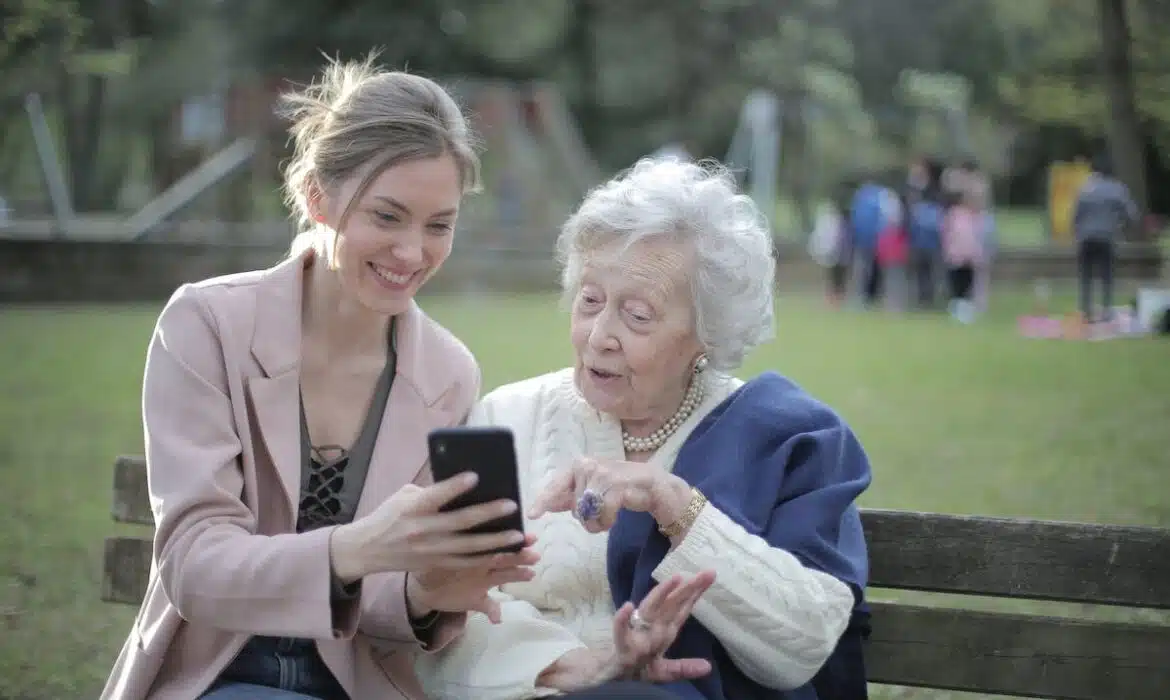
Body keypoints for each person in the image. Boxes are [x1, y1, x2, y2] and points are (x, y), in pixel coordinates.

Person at [100, 55, 547, 700]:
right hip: (214, 678)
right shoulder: (207, 325)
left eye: (438, 226)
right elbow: (193, 566)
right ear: (318, 197)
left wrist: (427, 592)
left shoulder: (447, 373)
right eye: (387, 216)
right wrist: (353, 547)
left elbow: (385, 604)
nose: (412, 253)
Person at [415, 158, 873, 700]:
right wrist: (577, 665)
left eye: (637, 315)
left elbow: (806, 642)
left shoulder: (788, 438)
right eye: (589, 301)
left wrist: (675, 505)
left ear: (708, 333)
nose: (599, 336)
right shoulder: (508, 418)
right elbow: (445, 612)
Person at [1073, 152, 1140, 322]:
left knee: (1086, 275)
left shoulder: (1085, 188)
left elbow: (1076, 215)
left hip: (1086, 237)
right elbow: (1132, 215)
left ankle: (1086, 311)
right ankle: (1106, 310)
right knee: (1107, 275)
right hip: (1106, 236)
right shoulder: (1118, 189)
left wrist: (1079, 230)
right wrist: (1120, 225)